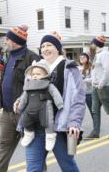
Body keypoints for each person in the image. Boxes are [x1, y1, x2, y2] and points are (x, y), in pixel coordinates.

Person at [18, 31, 85, 172]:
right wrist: (19, 101)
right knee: (33, 168)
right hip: (34, 127)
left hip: (58, 127)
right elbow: (28, 92)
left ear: (57, 48)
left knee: (68, 167)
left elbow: (78, 99)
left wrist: (74, 122)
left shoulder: (69, 68)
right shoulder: (35, 68)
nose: (45, 49)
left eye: (49, 45)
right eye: (42, 46)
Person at [0, 25, 40, 172]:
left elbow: (39, 86)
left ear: (15, 41)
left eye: (7, 39)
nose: (5, 41)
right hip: (7, 113)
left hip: (25, 113)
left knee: (33, 151)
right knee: (3, 149)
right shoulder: (9, 57)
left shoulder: (32, 58)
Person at [15, 60, 64, 151]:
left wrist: (60, 104)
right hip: (29, 109)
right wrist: (20, 107)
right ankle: (29, 133)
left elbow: (55, 94)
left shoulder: (48, 85)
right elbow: (24, 98)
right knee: (25, 120)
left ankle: (50, 137)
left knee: (48, 122)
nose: (35, 76)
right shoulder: (28, 86)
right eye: (33, 74)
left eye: (38, 74)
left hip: (44, 108)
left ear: (45, 74)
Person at [86, 36, 109, 139]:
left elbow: (107, 71)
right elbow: (95, 72)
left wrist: (100, 84)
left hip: (103, 87)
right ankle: (95, 132)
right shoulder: (96, 55)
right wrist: (92, 82)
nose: (90, 45)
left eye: (92, 43)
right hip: (95, 87)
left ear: (96, 44)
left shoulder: (105, 54)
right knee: (95, 110)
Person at [79, 52, 93, 118]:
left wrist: (85, 80)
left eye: (84, 57)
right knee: (79, 111)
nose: (82, 58)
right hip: (80, 94)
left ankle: (96, 126)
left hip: (89, 93)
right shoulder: (79, 68)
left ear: (87, 58)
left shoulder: (90, 68)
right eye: (80, 57)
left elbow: (93, 79)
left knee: (92, 110)